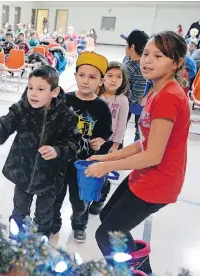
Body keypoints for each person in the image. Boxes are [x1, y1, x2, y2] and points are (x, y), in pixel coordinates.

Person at [87, 31, 190, 274]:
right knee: (108, 222)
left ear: (176, 63)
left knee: (107, 234)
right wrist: (107, 156)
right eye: (145, 54)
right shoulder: (156, 91)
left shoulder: (168, 97)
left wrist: (106, 167)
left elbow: (153, 155)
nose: (147, 60)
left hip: (159, 181)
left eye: (158, 56)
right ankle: (140, 270)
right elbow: (144, 142)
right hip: (145, 175)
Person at [0, 65, 80, 239]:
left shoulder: (66, 115)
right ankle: (15, 240)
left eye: (40, 89)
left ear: (54, 92)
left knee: (44, 214)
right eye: (30, 88)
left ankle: (39, 243)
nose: (33, 94)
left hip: (50, 177)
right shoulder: (21, 109)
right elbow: (2, 129)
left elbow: (74, 142)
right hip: (22, 173)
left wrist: (58, 150)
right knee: (19, 210)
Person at [52, 52, 113, 243]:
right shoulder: (65, 99)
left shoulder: (102, 107)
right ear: (75, 75)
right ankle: (53, 223)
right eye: (82, 75)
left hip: (84, 164)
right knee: (56, 196)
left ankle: (79, 226)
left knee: (80, 200)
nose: (86, 81)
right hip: (62, 161)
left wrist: (101, 140)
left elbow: (106, 133)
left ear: (101, 81)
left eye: (92, 77)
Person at [89, 61, 130, 215]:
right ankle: (87, 196)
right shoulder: (95, 95)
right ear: (102, 78)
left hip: (110, 144)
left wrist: (116, 145)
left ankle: (100, 199)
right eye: (110, 75)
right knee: (89, 170)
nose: (114, 80)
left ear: (123, 80)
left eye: (118, 77)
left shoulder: (122, 100)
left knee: (104, 173)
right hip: (92, 142)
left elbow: (121, 125)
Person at [121, 29, 149, 141]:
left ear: (132, 46)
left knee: (134, 129)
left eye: (126, 44)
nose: (125, 47)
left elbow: (138, 93)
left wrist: (122, 100)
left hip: (130, 104)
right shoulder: (127, 59)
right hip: (126, 101)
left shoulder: (139, 67)